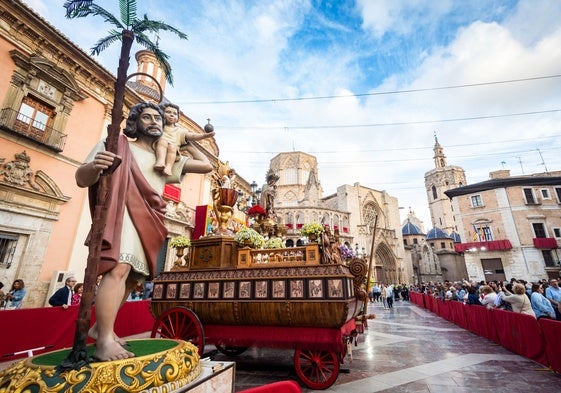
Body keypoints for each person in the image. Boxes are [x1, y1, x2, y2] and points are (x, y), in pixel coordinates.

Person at [75, 101, 213, 361]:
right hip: (122, 213)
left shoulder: (167, 159)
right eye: (147, 117)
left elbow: (206, 166)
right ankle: (104, 340)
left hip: (151, 219)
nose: (154, 122)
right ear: (134, 123)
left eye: (158, 118)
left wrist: (185, 140)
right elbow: (81, 178)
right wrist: (95, 166)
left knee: (132, 278)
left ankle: (100, 328)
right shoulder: (116, 145)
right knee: (118, 269)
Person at [153, 103, 212, 176]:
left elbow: (192, 135)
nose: (172, 115)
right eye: (168, 112)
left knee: (172, 148)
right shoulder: (158, 126)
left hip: (173, 150)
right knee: (162, 142)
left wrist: (203, 136)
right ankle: (160, 161)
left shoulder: (179, 131)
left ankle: (168, 167)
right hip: (159, 146)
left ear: (177, 118)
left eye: (174, 114)